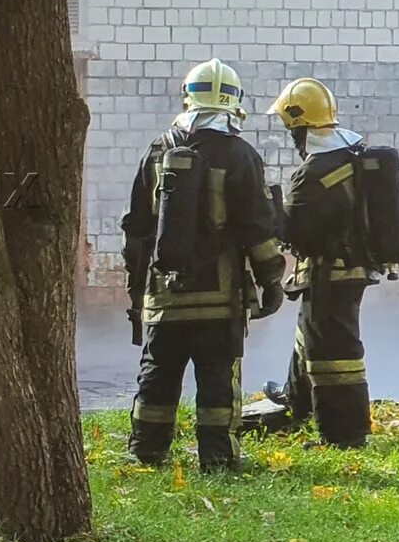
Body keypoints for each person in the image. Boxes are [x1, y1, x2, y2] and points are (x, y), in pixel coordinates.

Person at [120, 59, 286, 470]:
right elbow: (258, 228)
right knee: (216, 377)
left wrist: (137, 289)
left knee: (158, 373)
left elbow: (136, 228)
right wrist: (272, 280)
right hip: (219, 296)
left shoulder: (157, 151)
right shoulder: (240, 155)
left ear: (187, 97)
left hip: (163, 295)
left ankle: (146, 451)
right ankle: (217, 459)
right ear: (233, 104)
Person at [267, 78, 377, 449]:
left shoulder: (315, 172)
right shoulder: (351, 153)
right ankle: (296, 404)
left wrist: (273, 214)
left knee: (334, 355)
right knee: (310, 338)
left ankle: (344, 435)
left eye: (290, 128)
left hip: (331, 272)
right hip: (349, 268)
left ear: (299, 125)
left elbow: (297, 232)